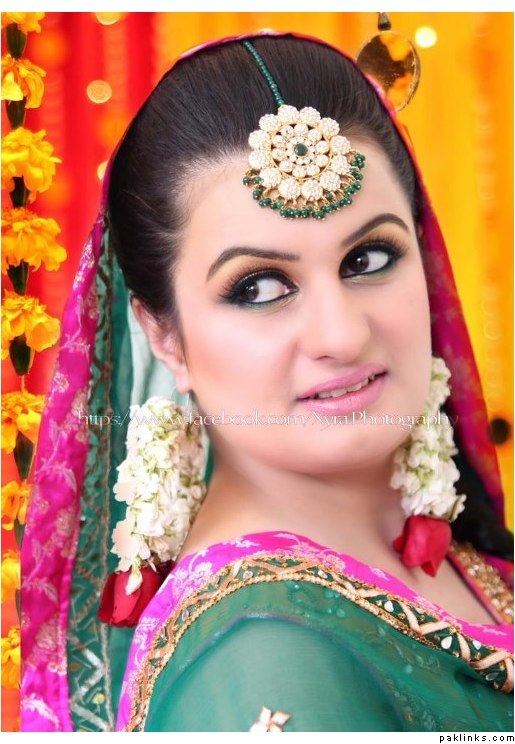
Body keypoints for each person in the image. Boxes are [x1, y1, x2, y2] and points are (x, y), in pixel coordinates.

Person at [20, 31, 513, 733]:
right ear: (165, 337)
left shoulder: (448, 550)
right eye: (257, 287)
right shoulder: (262, 658)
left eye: (369, 258)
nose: (341, 335)